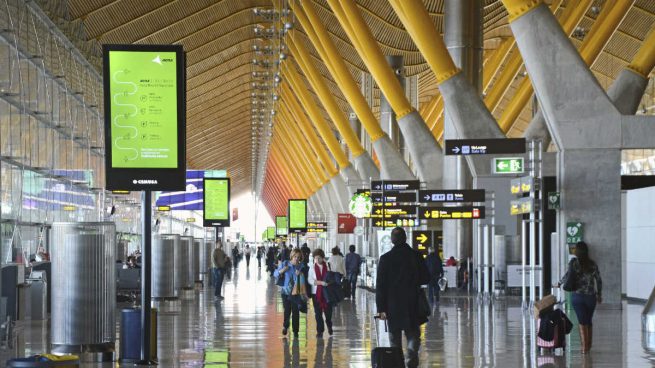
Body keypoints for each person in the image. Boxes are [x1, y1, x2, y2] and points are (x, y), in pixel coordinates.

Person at [376, 227, 430, 368]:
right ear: (406, 238)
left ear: (392, 241)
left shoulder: (385, 258)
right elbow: (426, 278)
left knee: (394, 338)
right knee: (413, 335)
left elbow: (380, 286)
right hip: (412, 303)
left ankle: (397, 363)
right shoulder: (416, 256)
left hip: (392, 305)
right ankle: (411, 359)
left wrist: (381, 309)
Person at [556, 241, 602, 354]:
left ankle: (584, 348)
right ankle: (588, 346)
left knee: (582, 321)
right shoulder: (592, 264)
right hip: (591, 297)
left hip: (577, 297)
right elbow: (599, 280)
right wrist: (599, 294)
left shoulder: (574, 263)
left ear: (577, 251)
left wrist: (559, 283)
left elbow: (567, 275)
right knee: (588, 320)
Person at [275, 249, 306, 338]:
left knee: (295, 312)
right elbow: (275, 273)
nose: (296, 259)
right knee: (287, 310)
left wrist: (300, 274)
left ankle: (296, 331)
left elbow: (304, 279)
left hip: (296, 292)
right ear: (292, 256)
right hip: (285, 292)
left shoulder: (301, 266)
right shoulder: (285, 263)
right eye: (295, 256)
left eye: (298, 257)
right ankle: (285, 326)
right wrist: (283, 270)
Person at [308, 249, 333, 338]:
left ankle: (329, 325)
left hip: (327, 293)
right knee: (318, 313)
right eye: (315, 258)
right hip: (316, 293)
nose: (317, 260)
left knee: (328, 313)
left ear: (323, 258)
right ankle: (320, 331)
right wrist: (321, 283)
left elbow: (331, 277)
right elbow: (310, 280)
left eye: (319, 258)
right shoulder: (312, 267)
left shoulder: (328, 266)